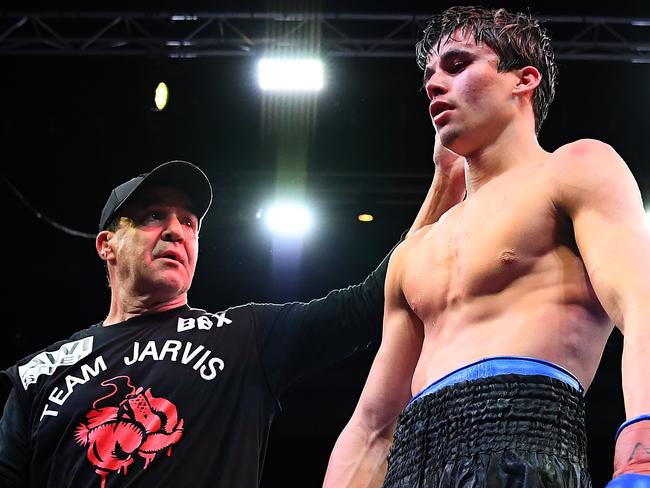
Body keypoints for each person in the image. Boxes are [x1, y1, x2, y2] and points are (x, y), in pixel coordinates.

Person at [0, 146, 465, 487]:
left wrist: (446, 179)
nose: (175, 231)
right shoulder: (38, 374)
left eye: (189, 223)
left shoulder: (244, 336)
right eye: (154, 215)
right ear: (107, 246)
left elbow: (368, 303)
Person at [323, 6, 650, 487]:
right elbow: (372, 427)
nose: (434, 85)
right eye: (430, 75)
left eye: (457, 66)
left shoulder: (576, 169)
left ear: (523, 79)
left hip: (522, 451)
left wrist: (642, 446)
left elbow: (641, 305)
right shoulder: (416, 251)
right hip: (412, 467)